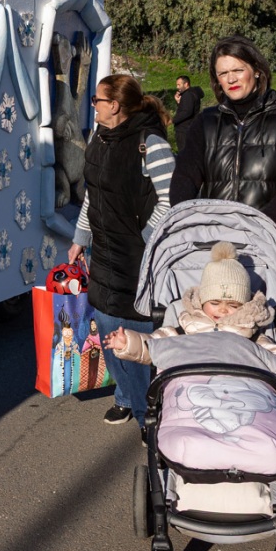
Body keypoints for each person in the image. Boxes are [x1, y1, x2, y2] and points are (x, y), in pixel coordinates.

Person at [169, 35, 276, 328]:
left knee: (269, 337)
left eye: (238, 70)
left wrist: (254, 225)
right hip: (216, 247)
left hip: (271, 242)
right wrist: (192, 221)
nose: (231, 79)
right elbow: (185, 177)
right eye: (223, 73)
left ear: (257, 70)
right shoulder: (206, 122)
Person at [65, 74, 175, 427]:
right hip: (102, 252)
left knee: (135, 337)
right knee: (107, 330)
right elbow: (92, 195)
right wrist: (80, 239)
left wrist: (144, 237)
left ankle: (148, 413)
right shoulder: (98, 137)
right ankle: (126, 397)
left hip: (138, 257)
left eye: (97, 100)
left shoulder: (150, 143)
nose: (93, 106)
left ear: (114, 105)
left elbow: (172, 199)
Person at [106, 242, 276, 406]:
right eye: (215, 303)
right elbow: (153, 345)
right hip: (190, 393)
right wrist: (127, 342)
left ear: (245, 305)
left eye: (233, 305)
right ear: (202, 301)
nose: (223, 310)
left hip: (242, 395)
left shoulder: (251, 335)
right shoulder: (184, 327)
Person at [171, 75, 204, 140]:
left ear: (186, 84)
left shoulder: (188, 95)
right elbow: (186, 108)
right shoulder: (192, 93)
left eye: (179, 85)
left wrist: (172, 120)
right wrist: (179, 102)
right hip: (191, 128)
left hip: (185, 129)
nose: (177, 87)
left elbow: (186, 112)